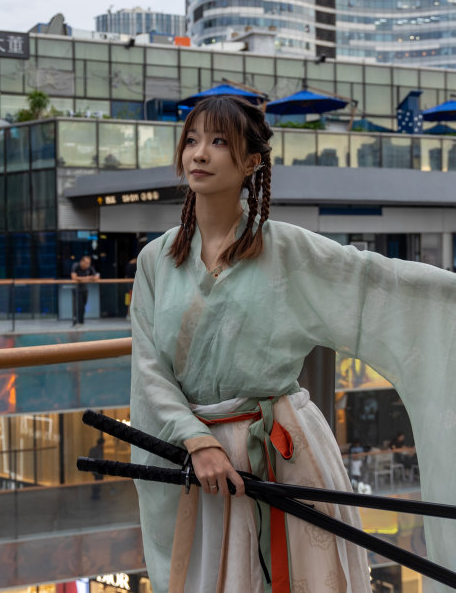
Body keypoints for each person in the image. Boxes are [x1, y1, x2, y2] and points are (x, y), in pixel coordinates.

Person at [129, 95, 456, 593]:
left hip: (285, 451)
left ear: (251, 163)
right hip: (198, 458)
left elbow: (371, 282)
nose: (198, 154)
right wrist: (195, 440)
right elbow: (149, 366)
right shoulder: (156, 259)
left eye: (219, 142)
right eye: (191, 141)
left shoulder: (284, 247)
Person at [70, 255, 99, 325]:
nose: (87, 265)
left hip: (84, 289)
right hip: (76, 289)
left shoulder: (90, 268)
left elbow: (96, 277)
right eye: (86, 263)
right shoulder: (76, 266)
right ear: (81, 262)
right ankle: (76, 322)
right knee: (78, 306)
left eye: (89, 263)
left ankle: (81, 321)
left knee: (83, 305)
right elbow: (73, 277)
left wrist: (85, 278)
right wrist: (88, 278)